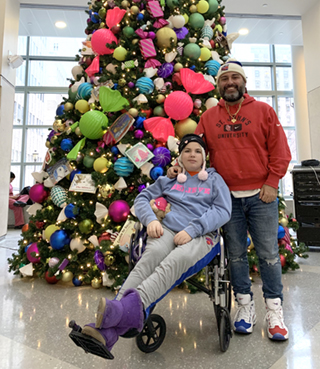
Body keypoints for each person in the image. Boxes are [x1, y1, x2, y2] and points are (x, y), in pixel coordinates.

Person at [168, 59, 292, 341]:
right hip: (226, 201)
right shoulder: (210, 117)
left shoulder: (263, 111)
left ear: (244, 82)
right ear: (218, 85)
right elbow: (194, 150)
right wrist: (178, 167)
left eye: (235, 78)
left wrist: (272, 182)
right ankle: (245, 308)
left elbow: (280, 151)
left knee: (269, 256)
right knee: (235, 256)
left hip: (262, 196)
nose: (230, 83)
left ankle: (274, 312)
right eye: (225, 79)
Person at [76, 134, 232, 354]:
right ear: (180, 156)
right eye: (187, 151)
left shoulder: (215, 180)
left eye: (198, 151)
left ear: (205, 157)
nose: (192, 154)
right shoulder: (170, 179)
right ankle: (107, 331)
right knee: (150, 257)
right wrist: (150, 220)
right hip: (167, 229)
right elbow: (141, 199)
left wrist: (192, 230)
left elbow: (223, 211)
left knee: (177, 259)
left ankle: (123, 313)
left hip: (201, 234)